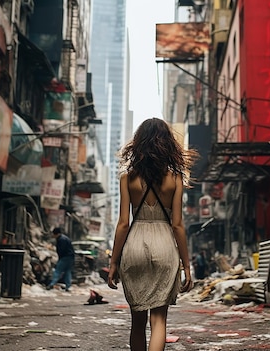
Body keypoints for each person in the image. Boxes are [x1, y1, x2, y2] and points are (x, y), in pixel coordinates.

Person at [108, 117, 198, 351]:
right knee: (159, 321)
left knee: (137, 323)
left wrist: (113, 263)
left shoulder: (127, 177)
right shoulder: (176, 177)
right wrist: (186, 266)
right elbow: (177, 224)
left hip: (134, 246)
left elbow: (123, 224)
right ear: (167, 143)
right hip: (165, 247)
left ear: (138, 143)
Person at [47, 227, 76, 291]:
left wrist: (60, 258)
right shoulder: (64, 238)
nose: (52, 235)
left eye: (53, 234)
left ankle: (51, 284)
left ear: (56, 234)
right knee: (67, 271)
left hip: (65, 257)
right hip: (70, 257)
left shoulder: (61, 239)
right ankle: (68, 286)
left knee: (58, 270)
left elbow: (61, 250)